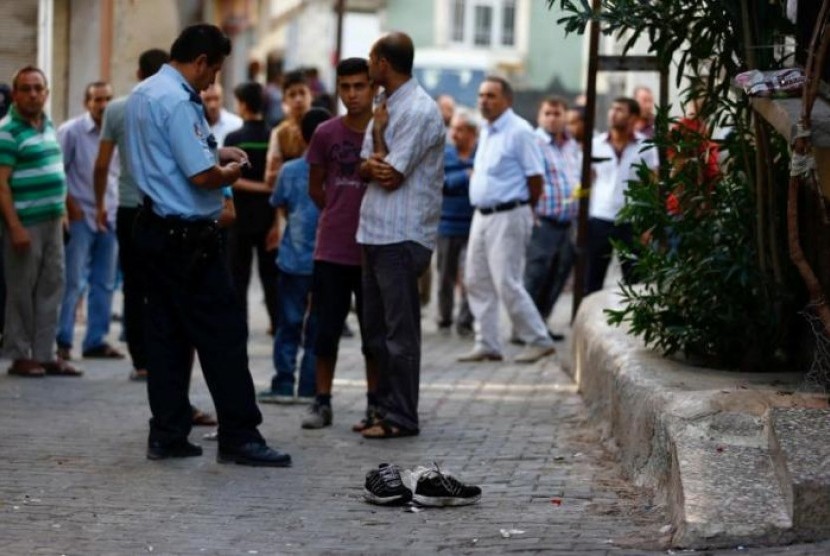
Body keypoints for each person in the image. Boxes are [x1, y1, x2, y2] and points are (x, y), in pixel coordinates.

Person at [124, 23, 291, 466]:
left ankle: (167, 432)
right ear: (199, 61)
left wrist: (217, 154)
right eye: (212, 72)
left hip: (155, 229)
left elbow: (171, 156)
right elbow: (199, 177)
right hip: (188, 238)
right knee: (224, 335)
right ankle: (240, 435)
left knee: (167, 338)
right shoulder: (179, 100)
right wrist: (228, 174)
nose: (212, 82)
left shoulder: (143, 93)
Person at [357, 32, 445, 439]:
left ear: (383, 63)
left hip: (402, 234)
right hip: (373, 231)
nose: (368, 66)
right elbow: (361, 168)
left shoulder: (420, 110)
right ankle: (380, 409)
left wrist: (377, 143)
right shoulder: (382, 106)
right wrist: (374, 155)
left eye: (371, 60)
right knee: (374, 331)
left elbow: (390, 175)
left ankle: (402, 417)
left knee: (399, 333)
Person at [293, 57, 380, 430]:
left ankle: (375, 403)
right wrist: (338, 212)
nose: (352, 94)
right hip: (332, 248)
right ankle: (321, 400)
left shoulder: (385, 130)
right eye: (345, 87)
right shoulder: (326, 133)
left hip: (375, 245)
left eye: (360, 86)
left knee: (373, 334)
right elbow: (316, 187)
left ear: (373, 88)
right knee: (325, 330)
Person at [457, 76, 556, 364]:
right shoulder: (487, 130)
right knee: (476, 279)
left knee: (506, 281)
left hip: (509, 214)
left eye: (491, 96)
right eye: (481, 95)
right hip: (482, 214)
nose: (484, 101)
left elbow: (535, 177)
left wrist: (525, 210)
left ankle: (538, 339)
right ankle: (487, 343)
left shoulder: (519, 131)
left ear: (507, 100)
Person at [0, 66, 81, 377]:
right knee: (21, 290)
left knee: (52, 286)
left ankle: (46, 354)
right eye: (26, 88)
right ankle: (20, 355)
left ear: (46, 93)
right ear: (16, 94)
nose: (33, 94)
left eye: (38, 88)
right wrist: (15, 227)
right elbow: (1, 185)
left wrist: (62, 213)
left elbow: (55, 172)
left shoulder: (47, 125)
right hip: (24, 223)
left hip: (52, 221)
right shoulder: (8, 130)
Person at [94, 48, 168, 381]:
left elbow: (102, 164)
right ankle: (163, 353)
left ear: (138, 74)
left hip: (127, 206)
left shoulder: (117, 109)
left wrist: (99, 204)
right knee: (163, 285)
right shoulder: (170, 105)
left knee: (134, 286)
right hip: (165, 207)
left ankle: (141, 360)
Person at [260, 108, 329, 405]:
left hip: (293, 259)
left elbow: (279, 203)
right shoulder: (335, 172)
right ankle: (310, 386)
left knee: (288, 323)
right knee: (317, 326)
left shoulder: (289, 171)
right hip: (327, 260)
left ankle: (284, 382)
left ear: (301, 135)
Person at [56, 80, 124, 362]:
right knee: (72, 281)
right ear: (87, 103)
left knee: (104, 282)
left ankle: (95, 340)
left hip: (109, 215)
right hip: (81, 215)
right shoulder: (71, 131)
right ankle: (63, 339)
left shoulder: (118, 133)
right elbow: (58, 173)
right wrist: (71, 209)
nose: (103, 104)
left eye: (107, 98)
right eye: (97, 99)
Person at [586, 96, 659, 294]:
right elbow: (587, 181)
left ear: (634, 117)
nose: (613, 113)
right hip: (600, 218)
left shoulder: (647, 147)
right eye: (612, 108)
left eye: (620, 109)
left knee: (635, 281)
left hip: (632, 221)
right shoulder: (596, 144)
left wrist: (649, 226)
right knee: (592, 278)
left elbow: (653, 185)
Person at [223, 82, 279, 334]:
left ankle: (238, 327)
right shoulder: (272, 136)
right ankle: (278, 324)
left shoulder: (234, 139)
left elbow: (229, 179)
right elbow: (277, 177)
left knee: (238, 278)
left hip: (240, 219)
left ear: (243, 105)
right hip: (268, 218)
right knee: (271, 277)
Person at [523, 97, 580, 341]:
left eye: (557, 113)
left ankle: (541, 323)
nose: (552, 118)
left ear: (565, 116)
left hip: (567, 223)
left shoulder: (570, 145)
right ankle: (525, 328)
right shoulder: (533, 143)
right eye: (547, 113)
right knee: (537, 273)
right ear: (539, 116)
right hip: (543, 221)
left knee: (559, 273)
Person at [436, 109, 476, 337]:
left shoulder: (481, 154)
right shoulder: (445, 154)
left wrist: (461, 180)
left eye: (460, 129)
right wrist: (466, 176)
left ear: (472, 132)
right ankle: (444, 319)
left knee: (471, 276)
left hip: (473, 225)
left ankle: (466, 321)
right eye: (453, 129)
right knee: (445, 276)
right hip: (447, 225)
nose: (455, 134)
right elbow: (441, 183)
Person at [264, 70, 312, 187]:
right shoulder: (279, 133)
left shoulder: (323, 127)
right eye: (292, 95)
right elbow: (270, 178)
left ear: (311, 96)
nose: (298, 99)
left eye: (302, 93)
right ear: (284, 101)